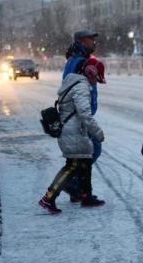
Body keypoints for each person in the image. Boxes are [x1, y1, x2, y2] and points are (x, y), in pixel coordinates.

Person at [38, 57, 107, 214]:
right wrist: (98, 132)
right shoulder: (81, 87)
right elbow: (84, 114)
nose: (96, 82)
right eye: (96, 78)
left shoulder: (76, 84)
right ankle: (48, 197)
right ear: (90, 73)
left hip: (74, 131)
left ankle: (86, 196)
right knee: (73, 166)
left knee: (85, 163)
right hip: (73, 132)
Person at [62, 30, 102, 202]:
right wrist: (84, 111)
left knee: (80, 155)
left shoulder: (76, 59)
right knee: (90, 151)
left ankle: (76, 188)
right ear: (81, 41)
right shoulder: (79, 61)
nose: (94, 42)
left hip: (77, 113)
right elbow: (77, 87)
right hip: (78, 114)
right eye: (90, 39)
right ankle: (73, 185)